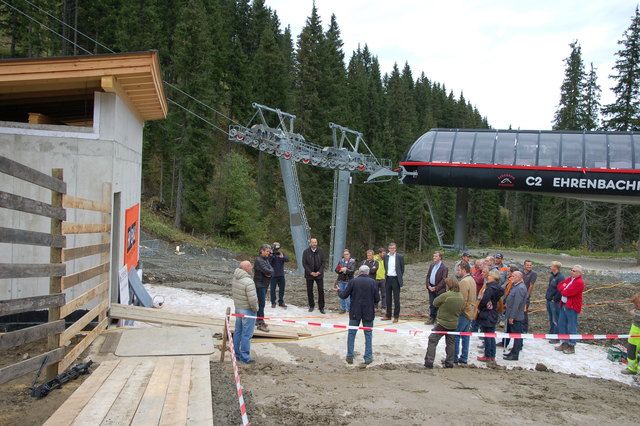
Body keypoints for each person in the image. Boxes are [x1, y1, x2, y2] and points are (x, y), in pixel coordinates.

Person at [335, 265, 379, 365]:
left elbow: (344, 295)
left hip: (355, 311)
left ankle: (349, 356)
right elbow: (377, 298)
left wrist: (338, 290)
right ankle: (368, 357)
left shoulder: (353, 282)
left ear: (359, 272)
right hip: (368, 312)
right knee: (368, 335)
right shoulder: (373, 282)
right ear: (368, 272)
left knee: (351, 334)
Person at [424, 277, 464, 369]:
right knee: (450, 343)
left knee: (432, 340)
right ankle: (449, 362)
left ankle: (429, 362)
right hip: (454, 323)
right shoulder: (460, 296)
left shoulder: (447, 295)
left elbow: (434, 302)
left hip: (442, 323)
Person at [232, 260, 259, 364]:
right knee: (246, 334)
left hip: (238, 308)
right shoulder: (248, 281)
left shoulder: (235, 278)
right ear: (245, 268)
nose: (252, 267)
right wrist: (255, 309)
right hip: (247, 310)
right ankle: (245, 357)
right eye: (249, 266)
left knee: (238, 331)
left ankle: (236, 355)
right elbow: (252, 299)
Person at [556, 265, 585, 354]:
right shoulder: (570, 279)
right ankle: (564, 342)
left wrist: (564, 289)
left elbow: (567, 292)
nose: (572, 272)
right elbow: (560, 286)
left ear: (579, 273)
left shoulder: (579, 282)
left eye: (574, 271)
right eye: (572, 270)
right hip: (564, 304)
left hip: (572, 306)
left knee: (572, 326)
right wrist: (564, 288)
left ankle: (572, 345)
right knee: (561, 324)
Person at [476, 269, 504, 362]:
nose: (488, 276)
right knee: (491, 335)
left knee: (488, 335)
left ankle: (487, 355)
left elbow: (484, 300)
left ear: (494, 277)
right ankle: (492, 355)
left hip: (487, 313)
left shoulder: (491, 288)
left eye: (490, 275)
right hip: (493, 312)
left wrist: (479, 307)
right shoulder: (497, 288)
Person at [454, 261, 476, 364]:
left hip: (464, 312)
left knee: (456, 335)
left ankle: (454, 357)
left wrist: (458, 311)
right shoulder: (472, 280)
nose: (457, 272)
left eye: (459, 270)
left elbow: (462, 299)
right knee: (465, 335)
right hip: (470, 311)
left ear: (463, 270)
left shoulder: (464, 282)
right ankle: (464, 357)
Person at [503, 271, 527, 361]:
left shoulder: (520, 288)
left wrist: (512, 316)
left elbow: (517, 304)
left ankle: (515, 354)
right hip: (512, 314)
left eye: (513, 276)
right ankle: (513, 352)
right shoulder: (516, 286)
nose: (511, 277)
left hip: (516, 317)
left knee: (517, 336)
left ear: (519, 277)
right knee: (514, 334)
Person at [382, 242, 404, 323]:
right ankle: (388, 315)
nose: (392, 250)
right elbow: (385, 266)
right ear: (389, 249)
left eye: (394, 248)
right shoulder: (385, 256)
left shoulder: (400, 257)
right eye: (391, 248)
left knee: (396, 299)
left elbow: (402, 269)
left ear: (395, 249)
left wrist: (399, 277)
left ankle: (396, 316)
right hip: (388, 278)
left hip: (395, 279)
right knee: (388, 298)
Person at [302, 238, 325, 314]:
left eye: (315, 242)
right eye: (313, 242)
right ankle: (311, 306)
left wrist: (319, 272)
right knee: (309, 290)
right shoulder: (306, 252)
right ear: (310, 243)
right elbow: (304, 263)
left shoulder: (321, 251)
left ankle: (321, 307)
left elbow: (323, 262)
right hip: (309, 275)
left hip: (319, 274)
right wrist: (310, 272)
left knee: (321, 290)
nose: (314, 244)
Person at [254, 244, 274, 332]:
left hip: (264, 284)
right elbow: (267, 270)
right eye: (267, 251)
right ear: (262, 251)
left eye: (269, 252)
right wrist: (269, 273)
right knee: (261, 303)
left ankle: (258, 319)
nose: (268, 253)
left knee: (261, 303)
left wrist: (269, 273)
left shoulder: (266, 260)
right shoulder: (259, 260)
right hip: (260, 284)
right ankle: (260, 321)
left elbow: (272, 270)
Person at [426, 251, 449, 324]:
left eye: (436, 256)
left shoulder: (444, 267)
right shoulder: (432, 265)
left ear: (440, 257)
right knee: (432, 304)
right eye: (433, 256)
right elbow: (428, 276)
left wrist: (436, 288)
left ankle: (439, 320)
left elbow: (444, 280)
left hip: (439, 290)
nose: (434, 258)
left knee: (439, 305)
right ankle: (432, 318)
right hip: (431, 288)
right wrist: (428, 285)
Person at [545, 261, 565, 344]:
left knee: (555, 319)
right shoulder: (552, 276)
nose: (550, 266)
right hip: (549, 300)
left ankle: (556, 336)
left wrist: (555, 298)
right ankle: (551, 334)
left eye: (552, 265)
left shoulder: (560, 277)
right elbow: (550, 287)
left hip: (555, 301)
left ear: (556, 267)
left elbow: (560, 290)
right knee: (551, 318)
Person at [622, 293, 640, 376]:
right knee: (631, 348)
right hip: (635, 328)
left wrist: (635, 313)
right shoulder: (637, 309)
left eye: (637, 305)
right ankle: (631, 368)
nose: (636, 306)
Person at [269, 241, 289, 309]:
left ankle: (281, 301)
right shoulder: (270, 253)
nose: (277, 248)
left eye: (278, 246)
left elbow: (287, 260)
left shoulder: (281, 253)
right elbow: (268, 262)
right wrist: (271, 255)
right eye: (275, 246)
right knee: (272, 289)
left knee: (282, 289)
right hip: (273, 275)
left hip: (281, 275)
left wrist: (282, 256)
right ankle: (273, 302)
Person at [335, 249, 356, 314]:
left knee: (348, 297)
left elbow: (352, 271)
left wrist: (345, 270)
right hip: (341, 280)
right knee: (341, 295)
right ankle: (343, 309)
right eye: (345, 254)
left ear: (349, 255)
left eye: (347, 254)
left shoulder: (352, 261)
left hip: (348, 281)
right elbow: (336, 269)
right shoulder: (341, 261)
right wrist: (340, 270)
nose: (346, 256)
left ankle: (350, 310)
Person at [521, 260, 537, 332]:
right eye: (528, 265)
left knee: (524, 312)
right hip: (519, 294)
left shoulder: (533, 274)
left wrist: (527, 295)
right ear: (524, 265)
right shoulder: (521, 272)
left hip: (525, 295)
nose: (529, 266)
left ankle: (524, 329)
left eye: (530, 265)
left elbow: (531, 285)